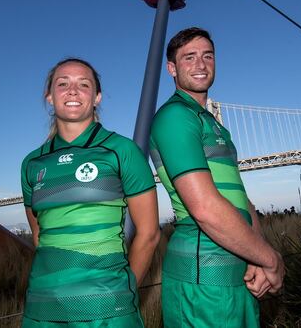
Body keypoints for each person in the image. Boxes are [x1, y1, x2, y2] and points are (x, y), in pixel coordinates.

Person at [149, 28, 285, 327]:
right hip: (204, 277)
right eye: (189, 57)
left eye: (207, 56)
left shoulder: (212, 123)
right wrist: (271, 259)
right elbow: (205, 208)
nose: (200, 64)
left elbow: (240, 199)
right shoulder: (175, 117)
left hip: (238, 271)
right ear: (172, 68)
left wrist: (256, 253)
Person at [21, 58, 160, 327]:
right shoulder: (31, 164)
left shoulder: (122, 151)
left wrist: (124, 291)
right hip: (42, 309)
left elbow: (150, 234)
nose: (72, 90)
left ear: (96, 97)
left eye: (83, 84)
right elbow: (39, 235)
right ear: (49, 97)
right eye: (63, 84)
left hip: (107, 311)